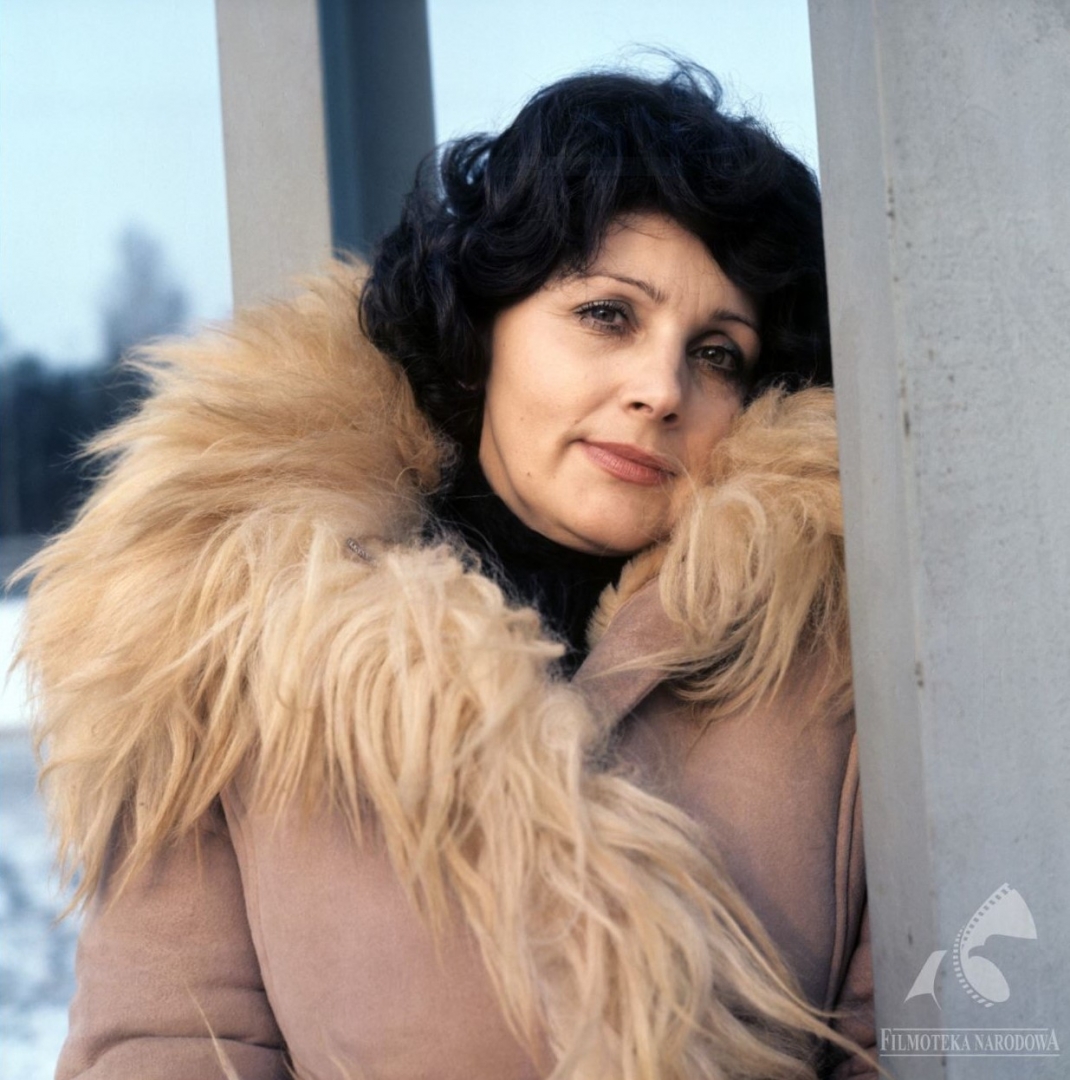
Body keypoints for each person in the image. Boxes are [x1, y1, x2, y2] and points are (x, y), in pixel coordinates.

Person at [19, 64, 874, 1079]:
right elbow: (168, 1044)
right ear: (485, 325)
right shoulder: (236, 627)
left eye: (718, 352)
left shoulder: (832, 647)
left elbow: (909, 1034)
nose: (661, 388)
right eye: (608, 314)